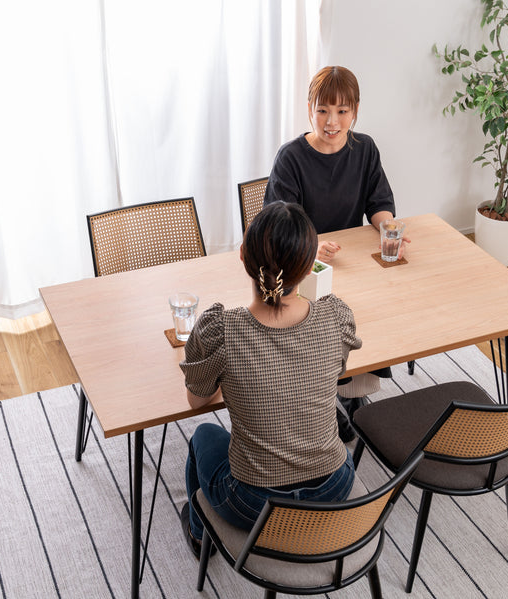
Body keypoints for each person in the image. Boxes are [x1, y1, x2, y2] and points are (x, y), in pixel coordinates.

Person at [179, 201, 361, 559]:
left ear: (243, 255)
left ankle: (200, 534)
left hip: (254, 505)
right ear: (310, 266)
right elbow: (335, 374)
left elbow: (196, 401)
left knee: (203, 435)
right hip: (335, 487)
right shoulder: (335, 316)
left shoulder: (220, 330)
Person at [264, 65, 406, 439]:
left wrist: (386, 227)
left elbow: (379, 201)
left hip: (352, 263)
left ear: (355, 111)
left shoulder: (365, 149)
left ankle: (346, 390)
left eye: (342, 111)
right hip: (300, 268)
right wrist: (310, 247)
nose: (332, 121)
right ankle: (323, 399)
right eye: (323, 109)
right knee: (320, 319)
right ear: (309, 108)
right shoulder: (290, 158)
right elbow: (278, 224)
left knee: (379, 308)